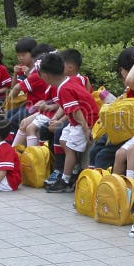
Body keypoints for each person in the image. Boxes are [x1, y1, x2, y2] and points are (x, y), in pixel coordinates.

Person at [40, 52, 99, 193]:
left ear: (46, 75)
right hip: (77, 120)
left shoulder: (63, 89)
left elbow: (76, 110)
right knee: (63, 140)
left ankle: (65, 180)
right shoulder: (69, 80)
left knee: (71, 149)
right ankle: (74, 168)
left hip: (85, 120)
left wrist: (85, 128)